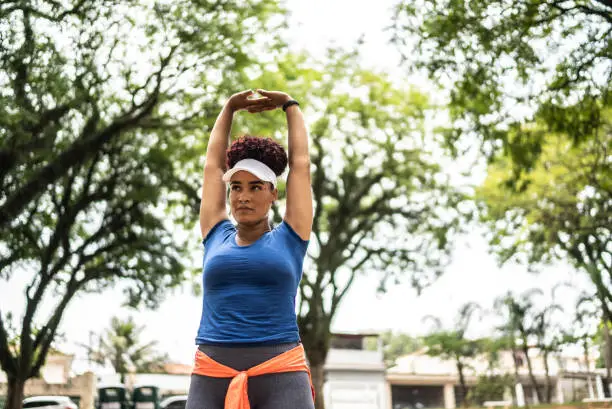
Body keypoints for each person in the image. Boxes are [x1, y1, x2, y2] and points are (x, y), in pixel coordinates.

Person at [186, 89, 315, 409]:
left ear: (273, 193)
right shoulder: (215, 233)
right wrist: (229, 107)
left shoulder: (292, 235)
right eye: (236, 187)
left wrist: (289, 105)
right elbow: (212, 167)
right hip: (212, 371)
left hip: (280, 370)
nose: (243, 196)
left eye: (255, 187)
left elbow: (300, 164)